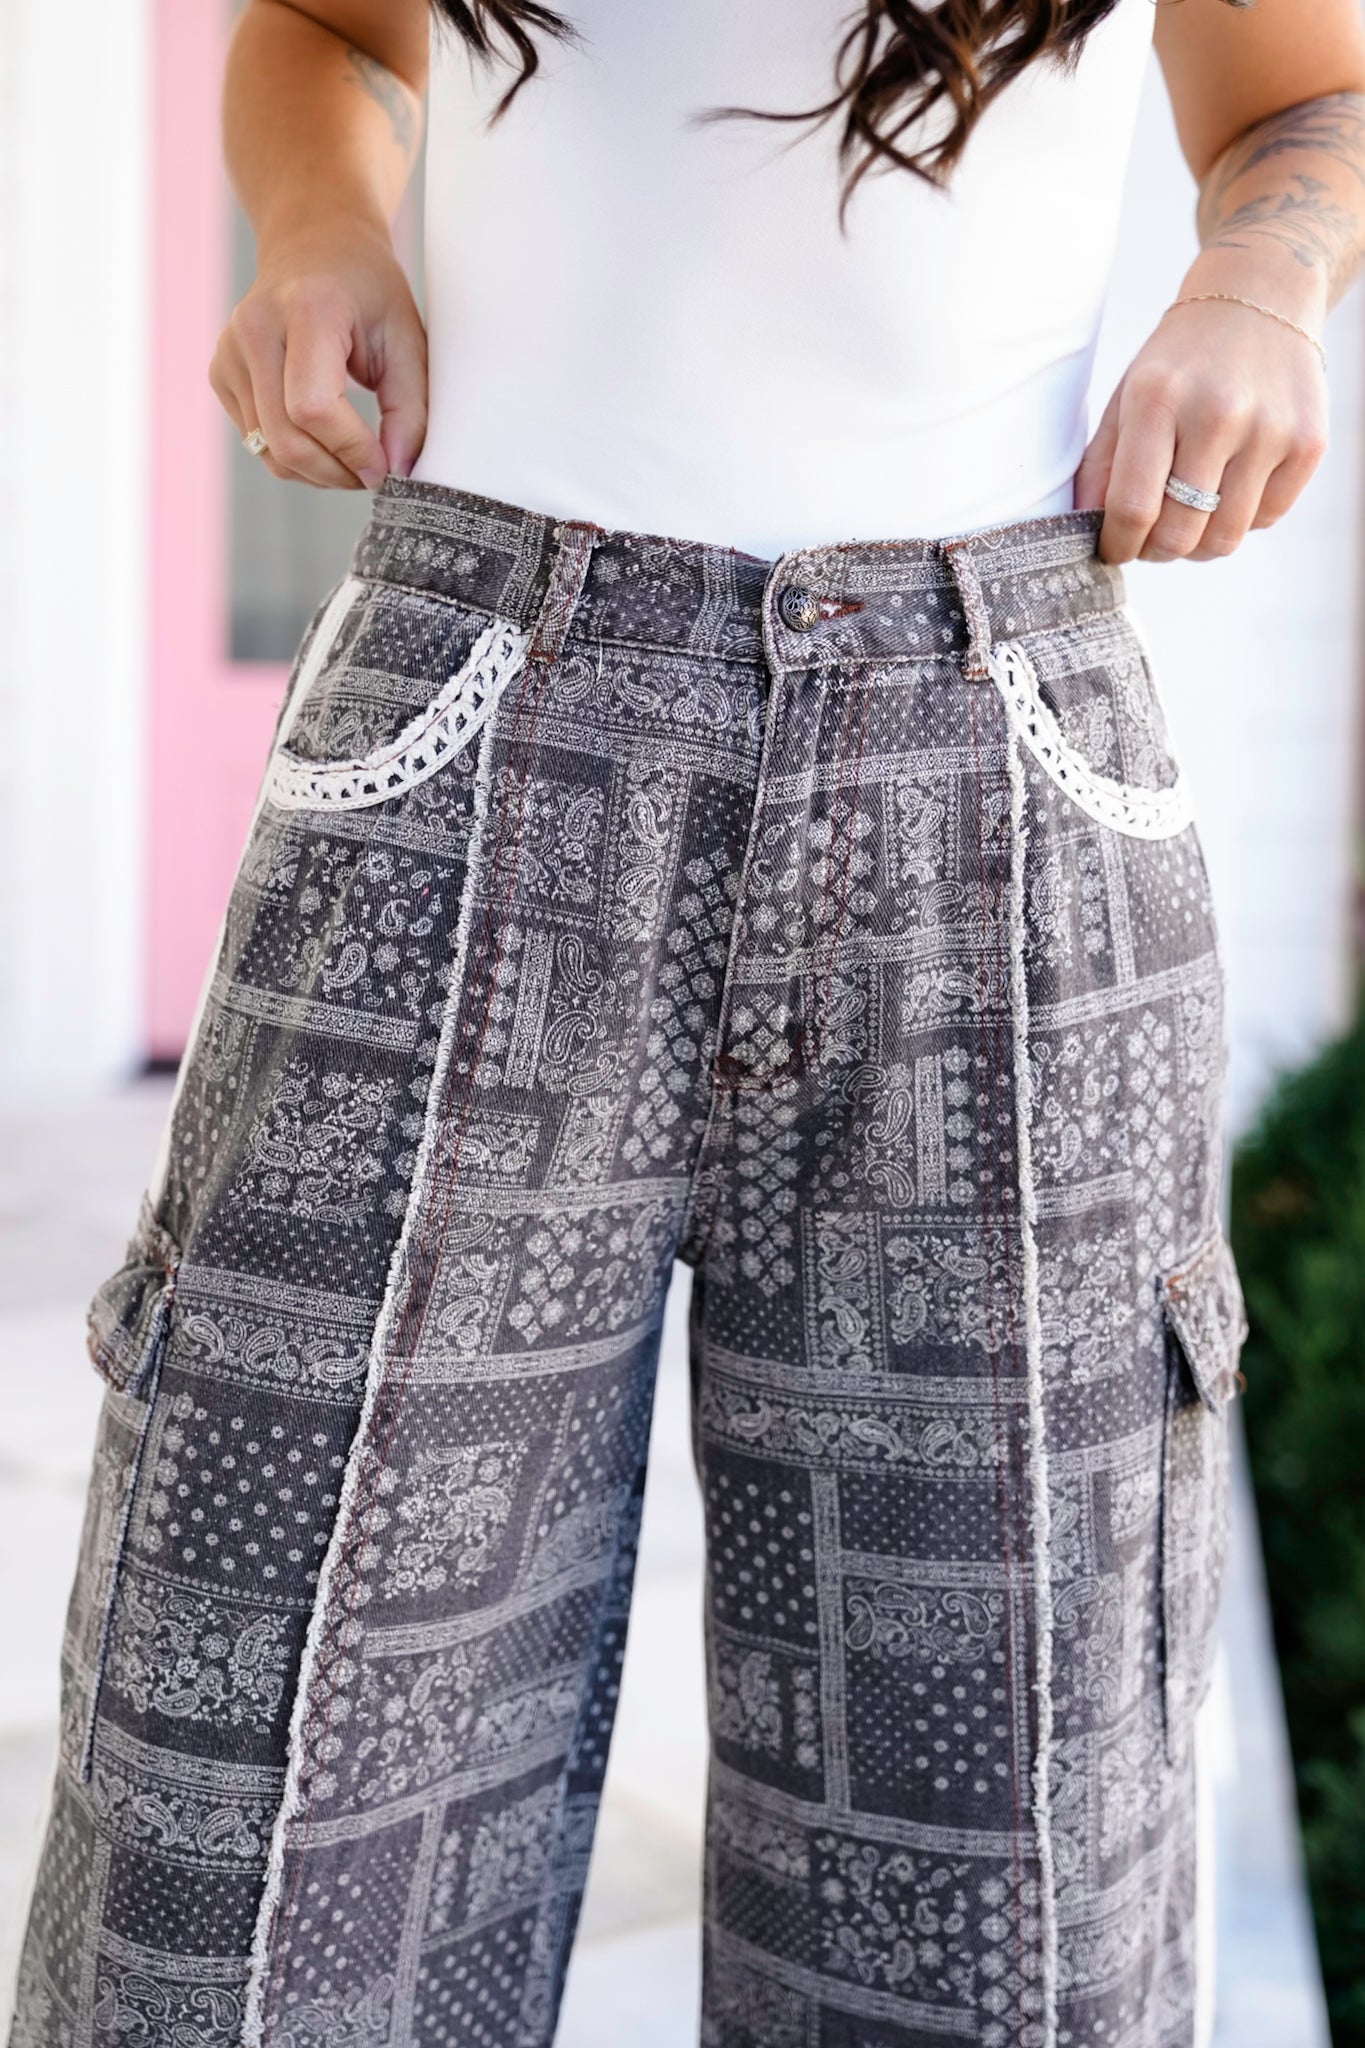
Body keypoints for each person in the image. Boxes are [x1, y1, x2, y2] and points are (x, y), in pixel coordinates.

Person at [10, 3, 1365, 2045]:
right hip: (476, 734)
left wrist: (1256, 284)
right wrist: (319, 234)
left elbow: (1302, 94)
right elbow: (323, 30)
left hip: (984, 773)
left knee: (998, 1852)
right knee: (255, 1822)